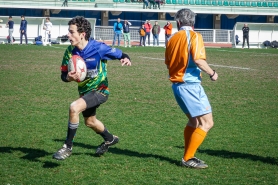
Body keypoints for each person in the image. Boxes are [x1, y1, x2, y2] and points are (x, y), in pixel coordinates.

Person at [53, 16, 131, 160]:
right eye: (68, 32)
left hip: (100, 90)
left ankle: (67, 147)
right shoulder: (70, 52)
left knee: (74, 107)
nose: (68, 35)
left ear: (82, 34)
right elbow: (63, 75)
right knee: (90, 122)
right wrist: (69, 77)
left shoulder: (98, 48)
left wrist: (125, 58)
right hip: (85, 92)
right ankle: (110, 139)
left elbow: (121, 54)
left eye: (72, 32)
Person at [165, 8, 218, 169]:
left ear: (178, 22)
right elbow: (199, 60)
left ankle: (189, 156)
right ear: (193, 23)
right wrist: (212, 73)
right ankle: (187, 158)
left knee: (194, 121)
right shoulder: (195, 36)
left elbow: (168, 62)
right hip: (190, 86)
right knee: (207, 123)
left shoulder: (172, 38)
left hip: (177, 86)